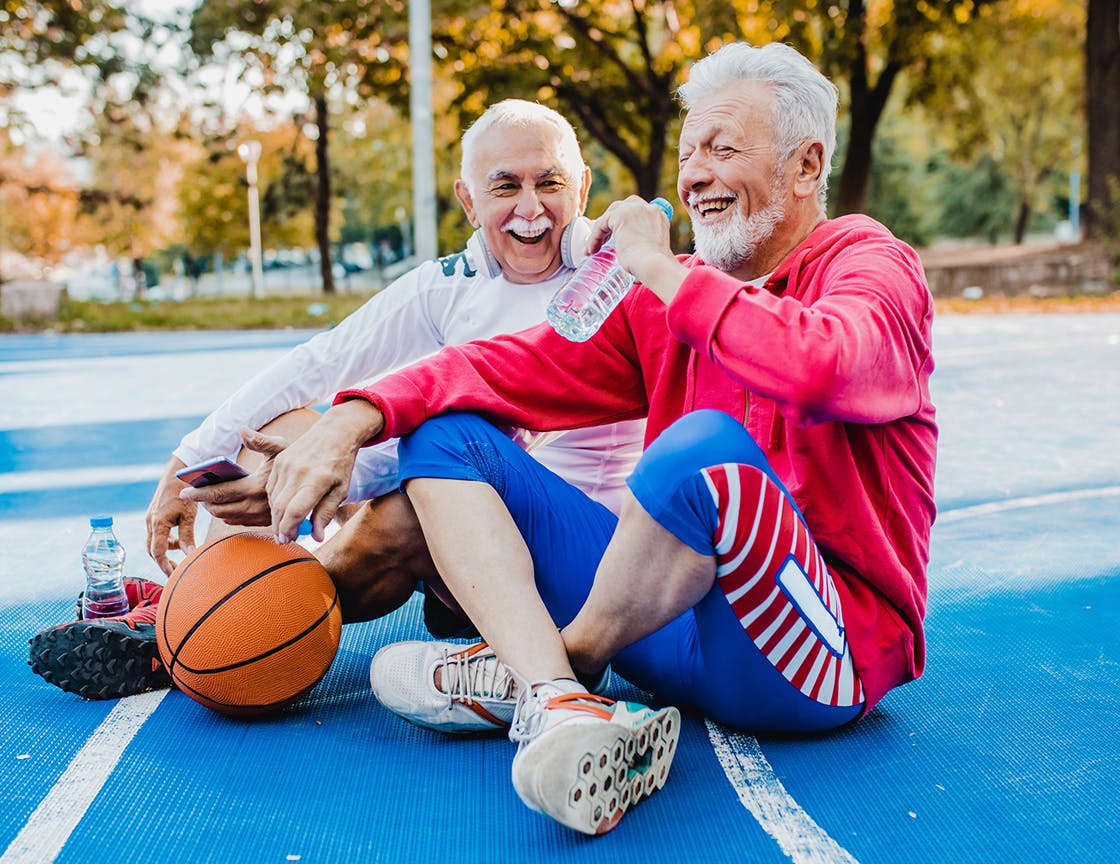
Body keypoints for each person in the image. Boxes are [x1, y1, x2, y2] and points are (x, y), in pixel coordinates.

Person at [262, 41, 938, 836]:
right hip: (666, 638)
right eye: (688, 154)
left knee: (699, 450)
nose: (695, 176)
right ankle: (559, 702)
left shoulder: (871, 265)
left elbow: (823, 366)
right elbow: (501, 368)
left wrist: (658, 267)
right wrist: (356, 417)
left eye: (723, 149)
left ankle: (566, 663)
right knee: (447, 435)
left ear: (805, 165)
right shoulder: (662, 300)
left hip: (816, 658)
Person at [27, 99, 647, 701]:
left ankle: (201, 627)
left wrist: (329, 471)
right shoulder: (452, 284)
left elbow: (489, 446)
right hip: (464, 528)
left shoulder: (616, 283)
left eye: (550, 183)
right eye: (506, 186)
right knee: (276, 434)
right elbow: (319, 361)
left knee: (398, 506)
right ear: (468, 200)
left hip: (569, 551)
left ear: (583, 189)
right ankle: (199, 606)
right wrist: (185, 460)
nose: (531, 208)